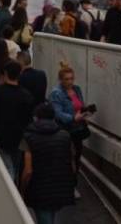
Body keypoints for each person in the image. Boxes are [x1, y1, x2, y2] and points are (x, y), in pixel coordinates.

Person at [20, 103, 76, 224]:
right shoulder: (65, 136)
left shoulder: (28, 137)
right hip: (60, 186)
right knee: (50, 216)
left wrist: (22, 189)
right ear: (53, 117)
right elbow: (72, 164)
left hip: (38, 189)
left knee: (45, 218)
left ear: (36, 117)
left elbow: (28, 170)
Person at [50, 64, 93, 192]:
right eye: (67, 79)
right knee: (69, 157)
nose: (70, 81)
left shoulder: (77, 89)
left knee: (77, 155)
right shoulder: (56, 94)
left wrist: (85, 113)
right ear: (61, 80)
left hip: (78, 128)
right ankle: (70, 185)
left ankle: (71, 182)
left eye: (71, 78)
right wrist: (74, 118)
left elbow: (80, 105)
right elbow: (58, 113)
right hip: (65, 129)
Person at [0, 61, 34, 182]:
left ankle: (9, 189)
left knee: (7, 166)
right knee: (16, 164)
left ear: (5, 74)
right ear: (19, 74)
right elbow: (28, 119)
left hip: (0, 136)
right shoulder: (26, 95)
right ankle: (16, 187)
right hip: (18, 138)